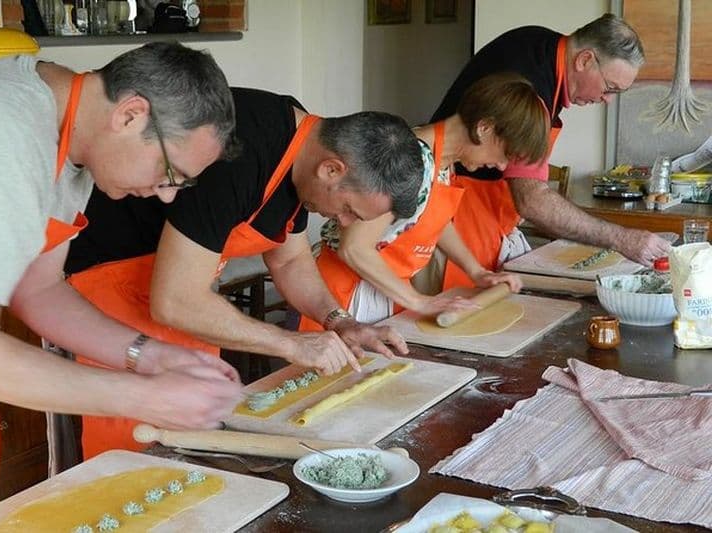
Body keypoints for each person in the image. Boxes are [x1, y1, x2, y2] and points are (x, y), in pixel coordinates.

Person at [0, 42, 244, 531]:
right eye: (170, 172)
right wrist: (142, 397)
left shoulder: (71, 147)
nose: (168, 194)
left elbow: (39, 290)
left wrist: (150, 356)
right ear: (131, 115)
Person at [64, 87, 423, 459]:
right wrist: (289, 343)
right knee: (141, 446)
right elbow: (174, 302)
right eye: (348, 208)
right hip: (115, 277)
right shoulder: (241, 153)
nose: (343, 222)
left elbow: (290, 260)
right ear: (331, 169)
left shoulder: (301, 150)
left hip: (184, 288)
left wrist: (341, 321)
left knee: (197, 428)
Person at [425, 13, 672, 292]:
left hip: (482, 215)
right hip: (458, 214)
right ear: (585, 60)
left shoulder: (539, 44)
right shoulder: (532, 87)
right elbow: (532, 200)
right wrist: (621, 238)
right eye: (609, 88)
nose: (606, 100)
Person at [299, 74, 539, 329]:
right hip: (348, 293)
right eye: (504, 153)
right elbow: (354, 249)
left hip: (386, 290)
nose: (501, 166)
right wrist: (419, 302)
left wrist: (476, 271)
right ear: (484, 128)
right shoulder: (411, 159)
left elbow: (434, 222)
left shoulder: (443, 163)